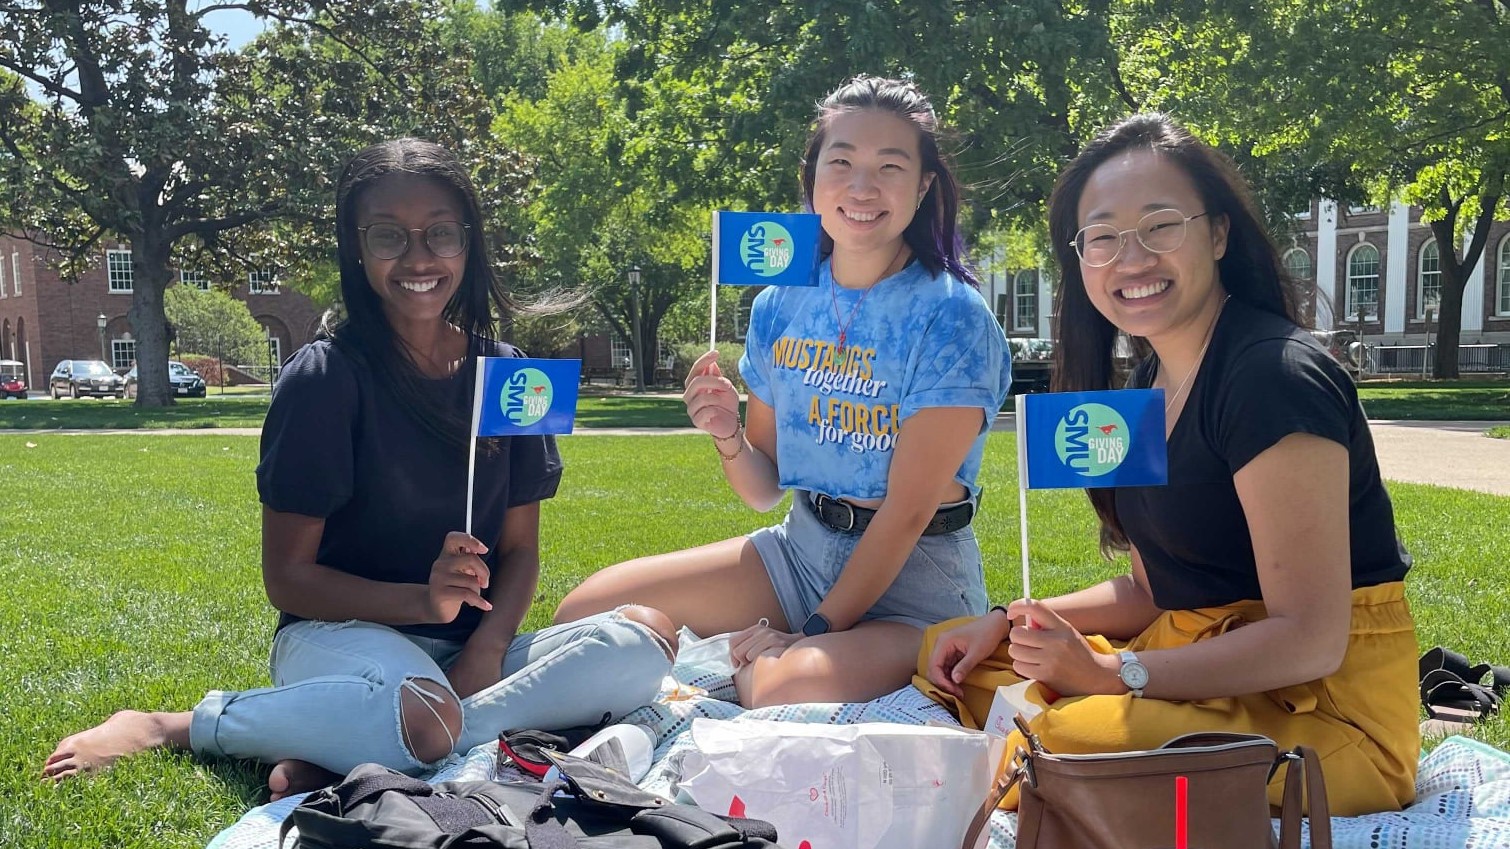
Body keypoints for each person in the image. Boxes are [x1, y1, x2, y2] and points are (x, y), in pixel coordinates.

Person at [43, 139, 677, 798]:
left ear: (468, 242)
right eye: (388, 237)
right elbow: (288, 580)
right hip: (339, 642)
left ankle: (356, 749)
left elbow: (521, 550)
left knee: (646, 642)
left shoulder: (509, 374)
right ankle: (175, 725)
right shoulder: (324, 377)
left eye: (440, 233)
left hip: (466, 653)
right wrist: (420, 601)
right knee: (422, 711)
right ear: (356, 247)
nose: (419, 257)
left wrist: (488, 649)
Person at [920, 113, 1418, 816]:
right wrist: (1007, 619)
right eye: (1104, 237)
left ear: (1217, 233)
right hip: (1192, 670)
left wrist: (1110, 673)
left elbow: (1310, 638)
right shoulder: (1149, 383)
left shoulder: (1273, 378)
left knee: (1057, 735)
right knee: (951, 647)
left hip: (1326, 718)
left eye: (1160, 225)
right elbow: (1153, 591)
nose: (1133, 258)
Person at [555, 76, 1011, 708]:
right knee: (585, 610)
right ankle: (737, 661)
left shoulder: (953, 316)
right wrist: (727, 435)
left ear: (924, 185)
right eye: (842, 162)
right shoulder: (780, 302)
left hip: (915, 585)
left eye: (890, 166)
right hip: (799, 551)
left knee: (778, 683)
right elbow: (764, 487)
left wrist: (809, 634)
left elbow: (907, 512)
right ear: (813, 175)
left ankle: (747, 667)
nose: (862, 187)